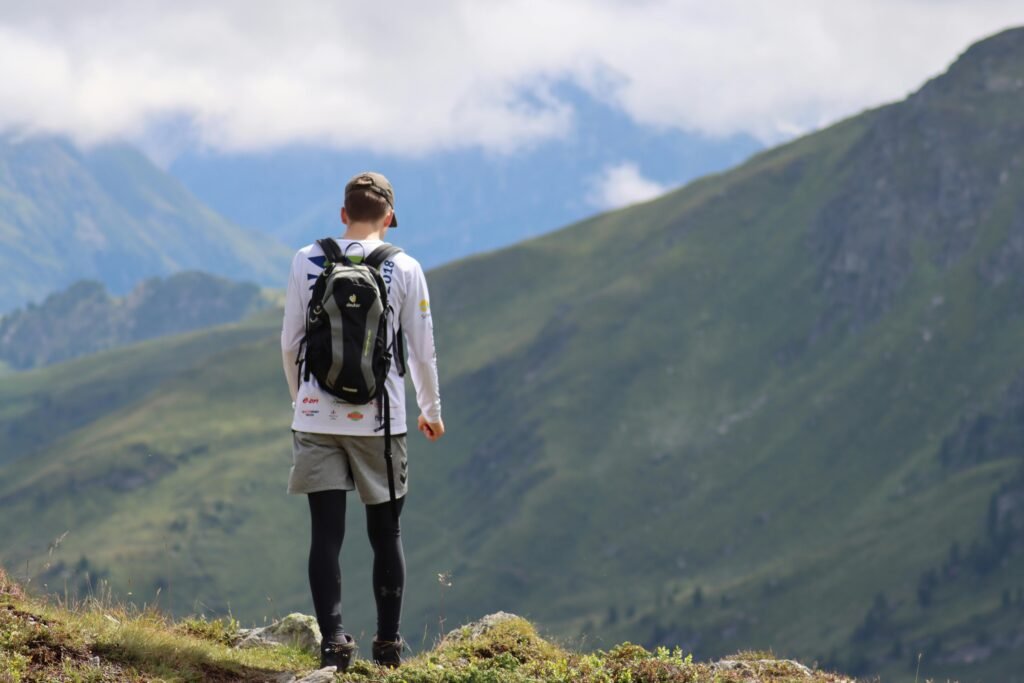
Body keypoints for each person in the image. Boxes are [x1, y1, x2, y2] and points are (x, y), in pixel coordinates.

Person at [280, 172, 444, 670]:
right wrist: (431, 411)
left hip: (316, 415)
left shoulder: (306, 260)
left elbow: (290, 344)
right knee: (386, 534)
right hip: (382, 421)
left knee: (325, 535)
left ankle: (333, 644)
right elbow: (422, 351)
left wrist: (303, 402)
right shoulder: (406, 267)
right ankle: (388, 646)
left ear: (343, 213)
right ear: (389, 217)